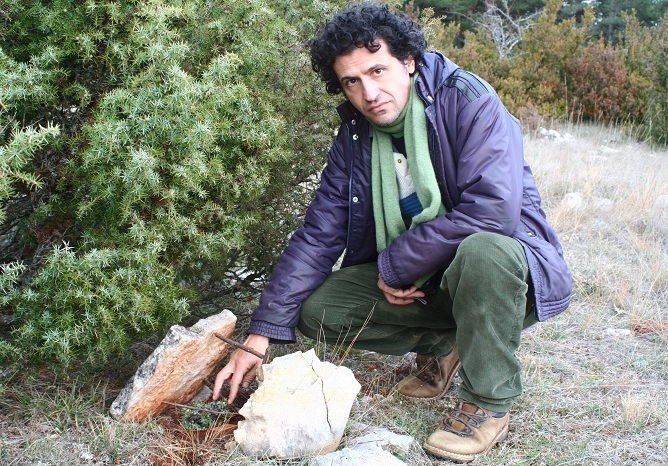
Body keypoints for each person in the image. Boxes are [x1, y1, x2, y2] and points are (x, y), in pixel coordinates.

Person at [213, 2, 572, 462]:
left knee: (486, 251)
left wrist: (397, 264)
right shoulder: (356, 137)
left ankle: (489, 402)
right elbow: (319, 235)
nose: (370, 92)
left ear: (408, 61)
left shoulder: (468, 99)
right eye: (352, 82)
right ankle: (446, 345)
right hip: (422, 279)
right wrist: (260, 335)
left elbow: (493, 212)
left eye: (378, 70)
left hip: (503, 274)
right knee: (319, 309)